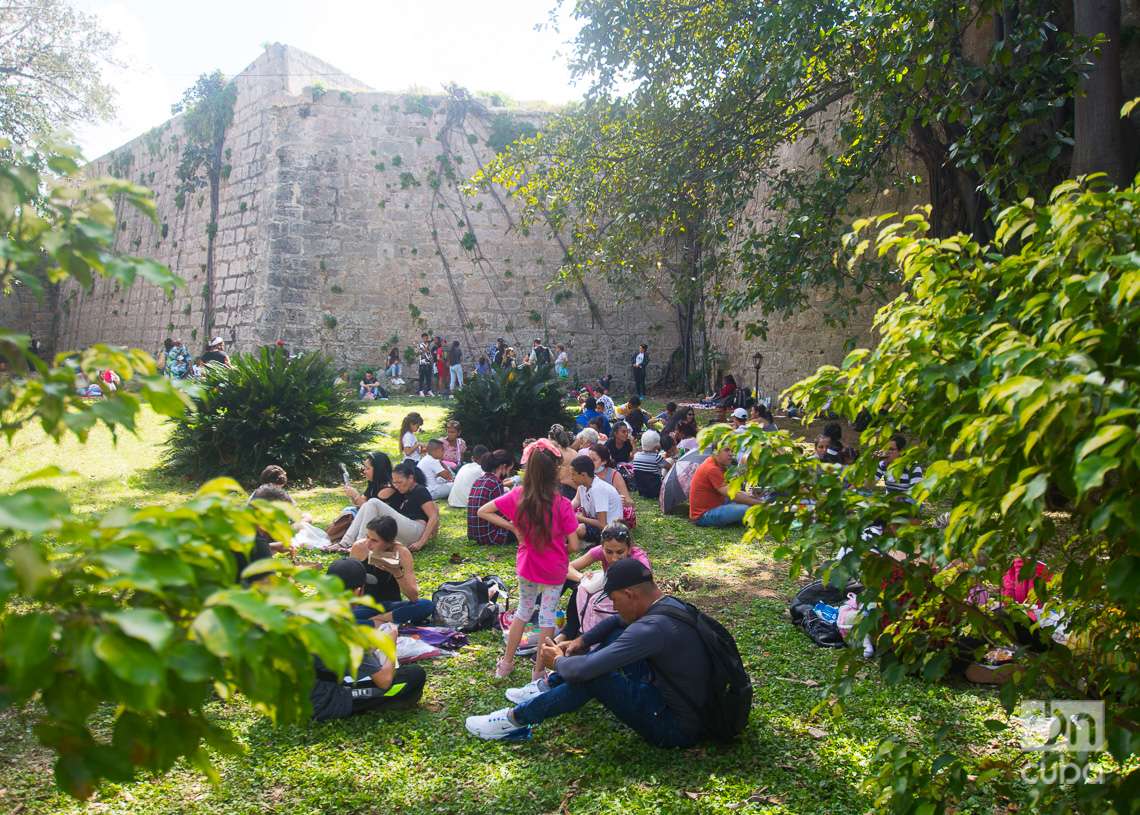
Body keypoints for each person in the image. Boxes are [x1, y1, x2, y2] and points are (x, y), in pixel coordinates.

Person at [465, 559, 708, 748]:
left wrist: (557, 661)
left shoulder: (650, 629)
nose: (614, 607)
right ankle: (548, 687)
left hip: (675, 728)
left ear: (630, 594)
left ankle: (512, 720)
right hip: (679, 701)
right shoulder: (667, 606)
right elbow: (615, 621)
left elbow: (582, 670)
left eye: (614, 599)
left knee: (594, 677)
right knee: (611, 639)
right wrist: (581, 641)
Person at [478, 440, 578, 680]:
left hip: (527, 565)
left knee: (522, 612)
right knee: (547, 617)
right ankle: (539, 671)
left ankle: (506, 663)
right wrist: (559, 547)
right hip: (554, 568)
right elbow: (574, 545)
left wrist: (514, 528)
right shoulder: (563, 505)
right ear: (554, 471)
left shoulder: (517, 495)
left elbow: (484, 511)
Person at [310, 558, 426, 721]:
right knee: (414, 675)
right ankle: (381, 703)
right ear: (358, 591)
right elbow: (384, 680)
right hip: (322, 701)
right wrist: (389, 644)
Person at [561, 522, 651, 641]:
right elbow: (566, 567)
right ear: (602, 548)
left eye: (620, 552)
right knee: (578, 586)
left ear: (629, 549)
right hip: (610, 591)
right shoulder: (600, 551)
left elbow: (646, 593)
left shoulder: (639, 561)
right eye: (609, 552)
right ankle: (568, 629)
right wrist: (581, 577)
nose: (614, 558)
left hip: (628, 603)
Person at [347, 517, 434, 625]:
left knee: (426, 605)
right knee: (341, 619)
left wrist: (396, 572)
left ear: (389, 542)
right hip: (367, 606)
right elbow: (350, 587)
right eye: (367, 537)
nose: (368, 544)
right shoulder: (359, 547)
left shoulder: (402, 553)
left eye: (374, 540)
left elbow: (413, 597)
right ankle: (383, 623)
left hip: (392, 606)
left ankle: (379, 621)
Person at [338, 461, 439, 551]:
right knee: (368, 504)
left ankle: (360, 545)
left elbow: (433, 516)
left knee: (373, 502)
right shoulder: (403, 492)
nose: (397, 486)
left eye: (400, 482)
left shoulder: (420, 490)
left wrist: (421, 542)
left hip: (416, 530)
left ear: (411, 478)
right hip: (403, 531)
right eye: (394, 483)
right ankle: (345, 542)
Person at [689, 442, 762, 527]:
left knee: (748, 502)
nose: (731, 454)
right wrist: (759, 503)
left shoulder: (717, 463)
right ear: (715, 452)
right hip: (703, 516)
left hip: (718, 504)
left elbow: (733, 489)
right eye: (727, 450)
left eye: (732, 450)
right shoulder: (712, 468)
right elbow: (732, 494)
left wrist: (751, 496)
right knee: (746, 509)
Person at [570, 455, 624, 545]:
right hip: (594, 523)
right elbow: (579, 505)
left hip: (610, 529)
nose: (571, 478)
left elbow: (603, 524)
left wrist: (579, 518)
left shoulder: (598, 489)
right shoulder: (582, 486)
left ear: (583, 475)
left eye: (573, 474)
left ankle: (587, 543)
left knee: (578, 530)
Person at [467, 449, 516, 545]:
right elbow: (503, 514)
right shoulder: (495, 483)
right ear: (503, 467)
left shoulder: (479, 480)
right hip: (491, 536)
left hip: (474, 534)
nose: (508, 474)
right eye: (509, 470)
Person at [876, 433, 922, 498]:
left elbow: (916, 492)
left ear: (901, 451)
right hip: (889, 502)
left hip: (908, 502)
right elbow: (869, 487)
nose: (886, 452)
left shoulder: (912, 466)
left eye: (891, 449)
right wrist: (872, 464)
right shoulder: (882, 464)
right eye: (884, 448)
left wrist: (894, 498)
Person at [631, 430, 670, 499]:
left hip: (642, 490)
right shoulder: (656, 457)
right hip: (655, 491)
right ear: (656, 446)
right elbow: (669, 467)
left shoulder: (636, 456)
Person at [448, 443, 488, 509]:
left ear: (472, 458)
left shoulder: (464, 466)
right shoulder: (481, 470)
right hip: (467, 503)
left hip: (453, 502)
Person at [548, 423, 577, 498]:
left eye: (549, 439)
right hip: (575, 487)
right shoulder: (574, 452)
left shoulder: (556, 452)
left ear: (553, 440)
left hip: (562, 488)